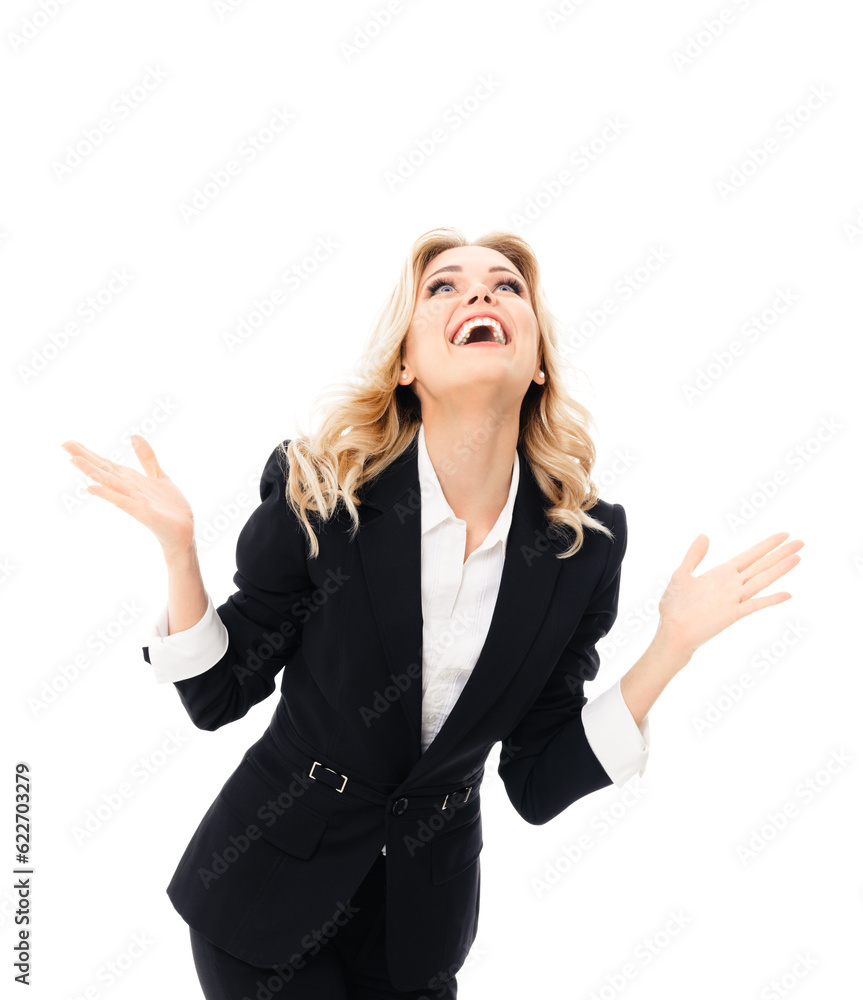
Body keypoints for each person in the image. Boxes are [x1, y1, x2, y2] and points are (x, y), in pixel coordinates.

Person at [60, 227, 803, 998]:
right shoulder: (322, 489)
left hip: (420, 926)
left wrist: (672, 645)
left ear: (539, 357)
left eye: (506, 286)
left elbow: (537, 780)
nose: (480, 293)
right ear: (406, 362)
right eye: (443, 286)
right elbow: (215, 698)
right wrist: (180, 551)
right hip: (263, 896)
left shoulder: (584, 543)